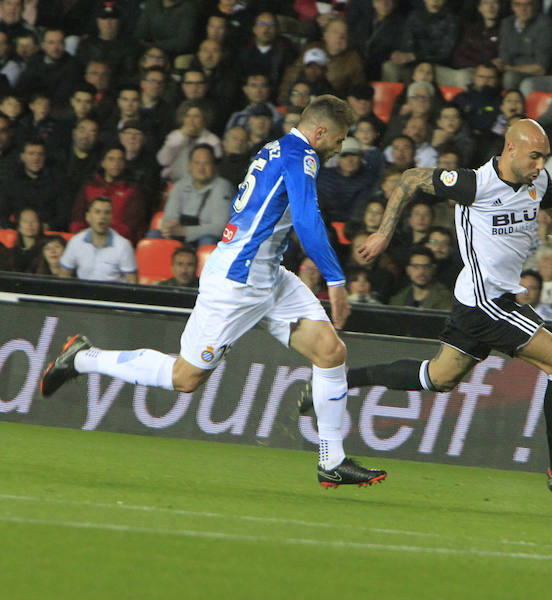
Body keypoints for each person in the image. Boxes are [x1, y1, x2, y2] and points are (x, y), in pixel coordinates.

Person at [41, 96, 387, 488]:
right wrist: (336, 281)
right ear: (321, 131)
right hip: (237, 283)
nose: (340, 149)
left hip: (268, 275)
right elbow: (307, 221)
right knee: (184, 378)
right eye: (339, 140)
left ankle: (332, 460)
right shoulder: (302, 155)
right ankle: (83, 358)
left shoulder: (277, 147)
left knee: (330, 351)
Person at [346, 118, 552, 500]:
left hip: (482, 300)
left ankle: (341, 382)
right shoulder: (474, 184)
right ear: (510, 149)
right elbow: (410, 178)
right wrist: (383, 233)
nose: (541, 165)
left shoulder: (536, 181)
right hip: (484, 302)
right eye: (535, 156)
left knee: (438, 377)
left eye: (545, 157)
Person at [58, 196, 138, 283]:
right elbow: (64, 275)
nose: (102, 217)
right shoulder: (76, 242)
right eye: (97, 212)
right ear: (88, 217)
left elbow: (132, 282)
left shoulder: (123, 246)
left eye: (107, 213)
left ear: (111, 218)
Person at [389, 245, 452, 309]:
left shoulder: (446, 299)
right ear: (408, 270)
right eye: (416, 266)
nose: (421, 271)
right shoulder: (397, 300)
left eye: (426, 266)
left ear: (433, 269)